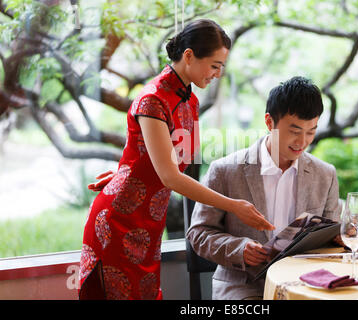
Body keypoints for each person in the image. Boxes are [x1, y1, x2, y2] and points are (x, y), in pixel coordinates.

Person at [79, 19, 274, 300]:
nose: (218, 74)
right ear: (189, 56)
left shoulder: (189, 100)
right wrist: (233, 206)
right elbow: (169, 176)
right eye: (215, 65)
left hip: (148, 223)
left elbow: (151, 156)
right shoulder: (153, 100)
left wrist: (131, 172)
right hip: (121, 221)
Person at [185, 76, 342, 300]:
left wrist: (340, 237)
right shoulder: (225, 170)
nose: (302, 142)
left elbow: (329, 234)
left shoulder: (325, 174)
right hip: (244, 286)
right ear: (269, 122)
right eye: (294, 131)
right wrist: (239, 249)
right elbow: (198, 234)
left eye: (311, 131)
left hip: (306, 284)